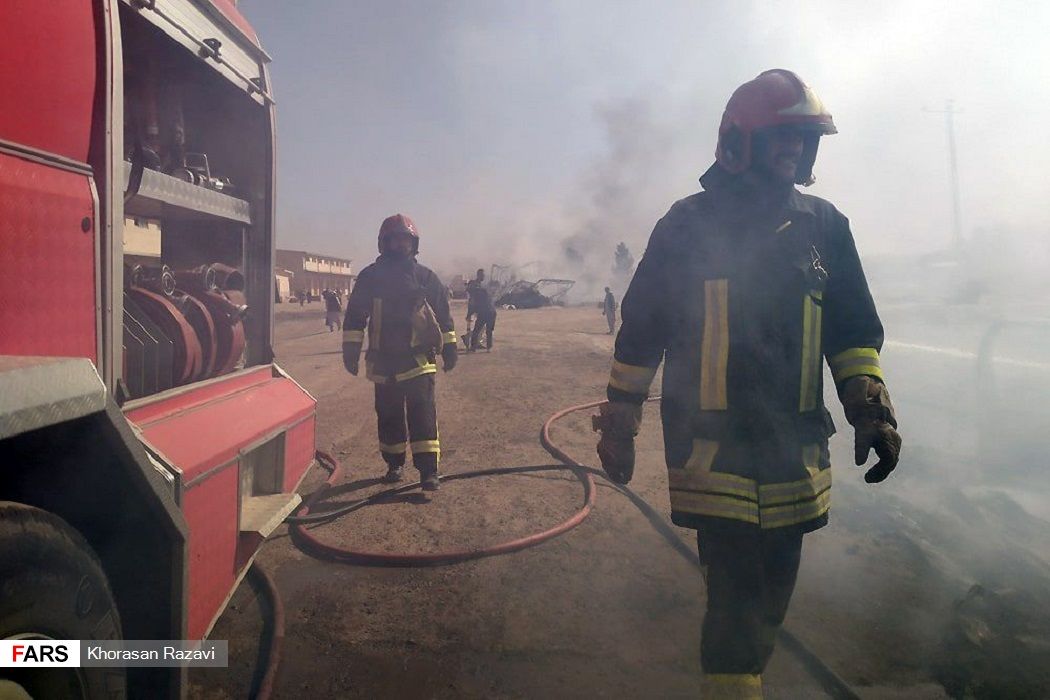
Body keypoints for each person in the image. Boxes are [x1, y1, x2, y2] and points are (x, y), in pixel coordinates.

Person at [592, 69, 902, 698]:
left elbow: (851, 331)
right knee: (735, 601)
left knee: (768, 603)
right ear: (738, 143)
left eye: (804, 141)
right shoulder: (686, 226)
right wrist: (620, 422)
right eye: (782, 139)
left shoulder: (825, 227)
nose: (795, 152)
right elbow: (641, 331)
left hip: (795, 454)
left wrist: (871, 407)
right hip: (714, 452)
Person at [342, 214, 458, 491]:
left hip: (419, 359)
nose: (399, 245)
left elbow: (443, 315)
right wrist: (351, 349)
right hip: (384, 362)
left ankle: (428, 472)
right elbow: (356, 316)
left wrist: (451, 346)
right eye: (393, 239)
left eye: (404, 239)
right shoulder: (370, 277)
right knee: (389, 415)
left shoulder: (425, 277)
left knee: (423, 416)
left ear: (413, 243)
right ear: (383, 243)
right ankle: (394, 463)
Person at [465, 268, 497, 352]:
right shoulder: (479, 287)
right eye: (482, 275)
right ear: (478, 275)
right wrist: (470, 314)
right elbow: (473, 303)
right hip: (488, 311)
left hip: (488, 311)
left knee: (481, 330)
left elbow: (472, 304)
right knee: (483, 330)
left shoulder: (480, 288)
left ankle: (475, 347)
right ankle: (483, 347)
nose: (484, 277)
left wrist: (469, 314)